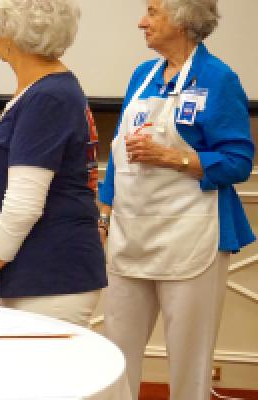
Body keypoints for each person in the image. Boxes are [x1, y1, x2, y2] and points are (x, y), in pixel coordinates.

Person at [99, 0, 255, 398]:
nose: (141, 22)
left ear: (183, 20)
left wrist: (175, 158)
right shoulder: (142, 75)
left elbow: (238, 162)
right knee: (115, 356)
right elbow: (120, 152)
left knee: (190, 362)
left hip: (191, 238)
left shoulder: (219, 79)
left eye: (152, 12)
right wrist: (105, 212)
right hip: (130, 235)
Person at [0, 0, 106, 327]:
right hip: (38, 272)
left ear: (9, 35)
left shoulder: (48, 97)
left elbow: (23, 205)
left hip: (51, 276)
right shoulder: (44, 90)